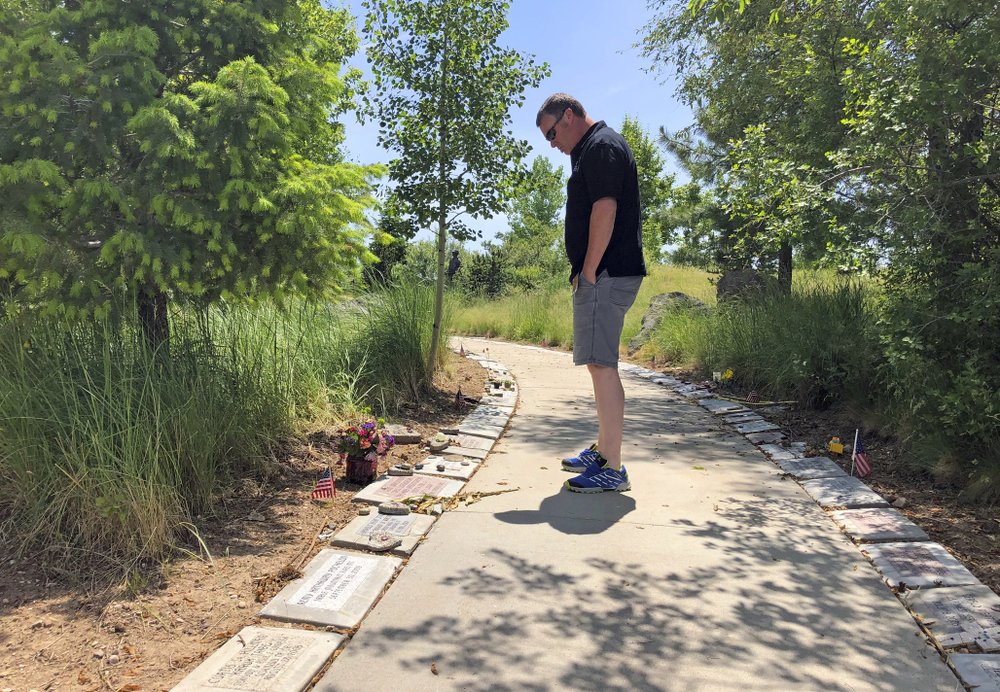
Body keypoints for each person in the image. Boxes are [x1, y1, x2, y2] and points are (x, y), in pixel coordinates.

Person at [535, 93, 646, 493]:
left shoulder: (601, 146)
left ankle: (612, 469)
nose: (551, 143)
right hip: (603, 273)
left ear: (569, 116)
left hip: (606, 273)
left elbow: (606, 208)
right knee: (597, 364)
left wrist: (589, 269)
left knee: (602, 365)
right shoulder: (589, 150)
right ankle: (603, 452)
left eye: (551, 132)